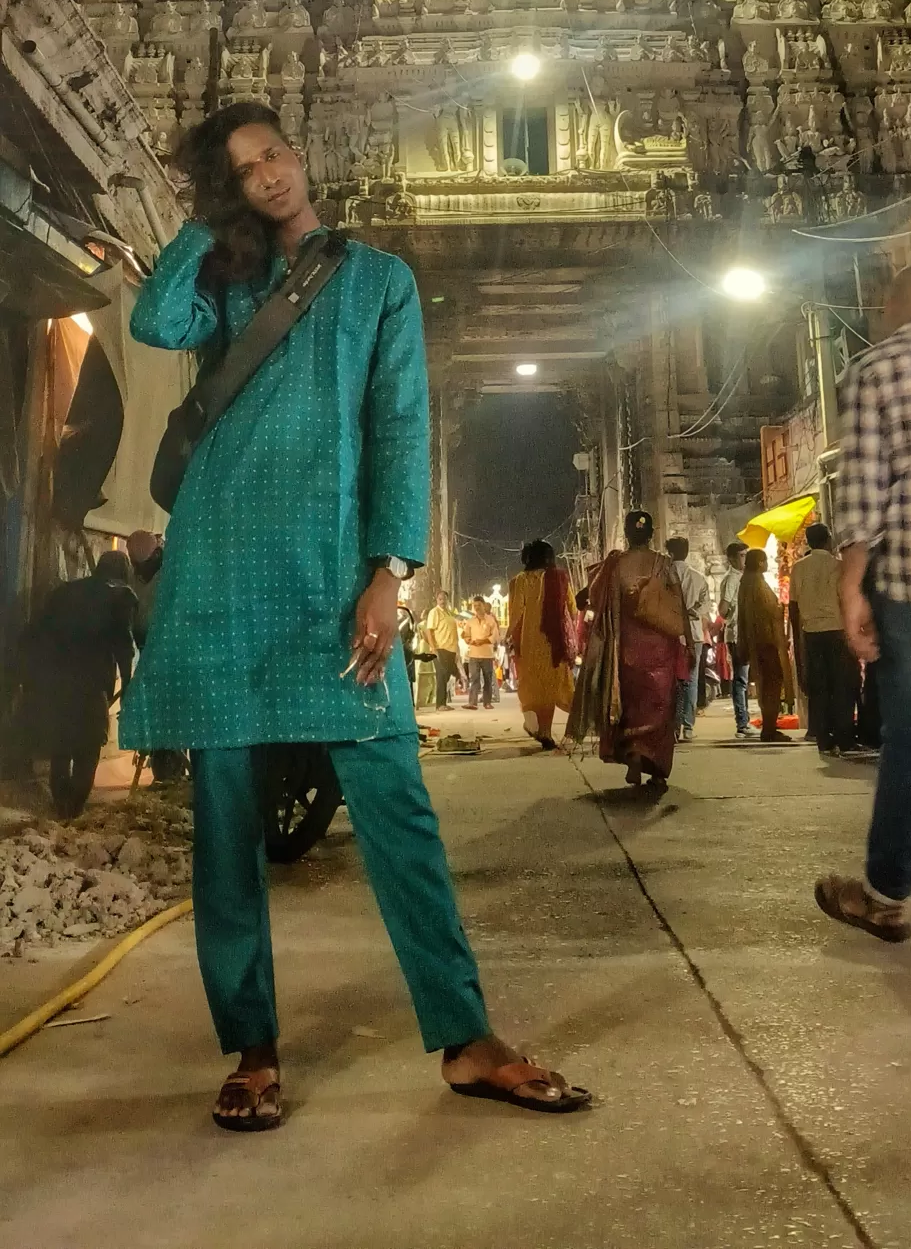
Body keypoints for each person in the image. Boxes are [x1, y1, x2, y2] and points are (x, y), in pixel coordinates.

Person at [121, 102, 588, 1125]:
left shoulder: (380, 280)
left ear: (302, 156)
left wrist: (392, 569)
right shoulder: (224, 281)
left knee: (398, 810)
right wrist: (204, 223)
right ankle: (252, 1051)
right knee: (226, 825)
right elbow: (153, 323)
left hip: (333, 578)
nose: (268, 177)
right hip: (219, 572)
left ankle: (465, 1037)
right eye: (241, 170)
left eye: (274, 155)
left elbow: (398, 423)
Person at [815, 264, 911, 943]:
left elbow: (865, 491)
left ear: (892, 307)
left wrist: (851, 586)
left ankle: (885, 895)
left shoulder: (875, 372)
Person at [566, 509, 693, 795]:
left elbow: (590, 598)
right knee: (661, 709)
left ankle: (634, 757)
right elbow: (679, 607)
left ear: (627, 533)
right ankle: (658, 773)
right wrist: (689, 643)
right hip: (661, 651)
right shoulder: (664, 564)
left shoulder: (616, 565)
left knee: (631, 708)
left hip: (627, 651)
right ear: (651, 534)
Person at [19, 550, 139, 817]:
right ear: (123, 571)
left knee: (61, 741)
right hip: (91, 684)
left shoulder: (65, 591)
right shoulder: (121, 595)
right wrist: (129, 682)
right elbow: (123, 645)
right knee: (89, 744)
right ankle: (74, 806)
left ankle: (60, 800)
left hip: (57, 680)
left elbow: (37, 631)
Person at [788, 522, 857, 757]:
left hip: (812, 633)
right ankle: (844, 737)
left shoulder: (798, 569)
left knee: (819, 687)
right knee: (842, 685)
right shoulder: (837, 566)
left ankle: (823, 739)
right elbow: (847, 601)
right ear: (828, 540)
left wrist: (797, 640)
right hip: (837, 630)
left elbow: (793, 607)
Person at [126, 529, 189, 784]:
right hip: (148, 649)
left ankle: (173, 767)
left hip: (173, 651)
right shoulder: (136, 577)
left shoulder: (173, 573)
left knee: (173, 712)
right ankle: (165, 767)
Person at [507, 539, 577, 748]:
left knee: (532, 685)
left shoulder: (519, 581)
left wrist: (510, 635)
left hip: (529, 643)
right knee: (553, 686)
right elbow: (572, 609)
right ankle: (544, 730)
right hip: (553, 643)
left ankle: (537, 726)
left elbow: (517, 611)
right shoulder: (559, 578)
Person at [735, 550, 792, 743]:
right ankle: (769, 728)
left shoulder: (748, 582)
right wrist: (780, 608)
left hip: (757, 640)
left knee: (767, 684)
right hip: (765, 640)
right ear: (760, 563)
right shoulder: (756, 583)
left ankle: (769, 726)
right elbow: (767, 610)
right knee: (771, 684)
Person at [666, 536, 709, 741]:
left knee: (672, 681)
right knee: (691, 681)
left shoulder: (663, 576)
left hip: (671, 633)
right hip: (695, 634)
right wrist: (691, 612)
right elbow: (705, 607)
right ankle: (688, 726)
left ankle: (673, 726)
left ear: (670, 553)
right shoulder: (699, 577)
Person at [718, 540, 751, 737]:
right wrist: (730, 615)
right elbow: (723, 608)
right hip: (736, 633)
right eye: (741, 556)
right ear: (731, 558)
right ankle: (742, 723)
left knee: (743, 678)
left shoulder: (742, 577)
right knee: (740, 679)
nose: (745, 559)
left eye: (746, 555)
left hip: (742, 632)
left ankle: (744, 720)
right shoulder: (732, 579)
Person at [422, 589, 462, 707]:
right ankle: (440, 704)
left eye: (444, 598)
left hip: (451, 649)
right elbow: (429, 630)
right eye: (440, 599)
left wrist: (457, 650)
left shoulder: (449, 613)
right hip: (439, 648)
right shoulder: (434, 612)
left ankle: (443, 703)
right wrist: (433, 647)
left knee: (447, 675)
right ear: (436, 600)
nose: (442, 601)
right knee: (441, 674)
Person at [463, 595, 500, 710]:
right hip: (473, 654)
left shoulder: (490, 620)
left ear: (484, 605)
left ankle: (487, 702)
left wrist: (483, 641)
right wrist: (469, 640)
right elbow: (466, 635)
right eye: (475, 606)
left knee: (487, 679)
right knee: (474, 679)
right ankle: (472, 702)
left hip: (487, 654)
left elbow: (495, 636)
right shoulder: (470, 621)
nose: (477, 608)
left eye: (479, 605)